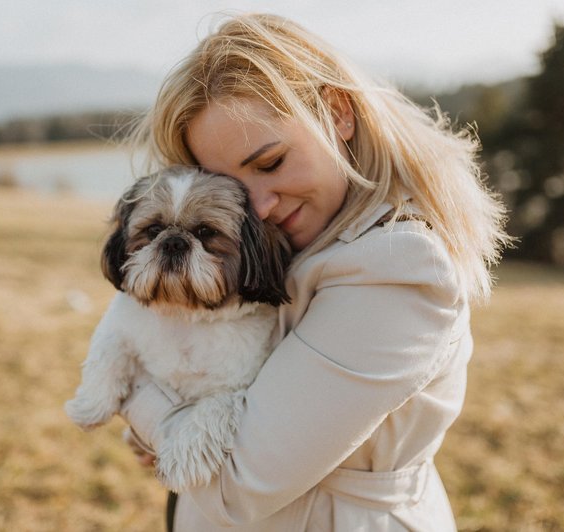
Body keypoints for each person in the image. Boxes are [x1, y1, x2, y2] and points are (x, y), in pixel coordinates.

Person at [119, 13, 510, 532]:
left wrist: (137, 400)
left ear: (338, 113)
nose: (255, 208)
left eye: (271, 162)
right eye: (225, 188)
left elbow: (238, 483)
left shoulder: (399, 269)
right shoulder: (297, 235)